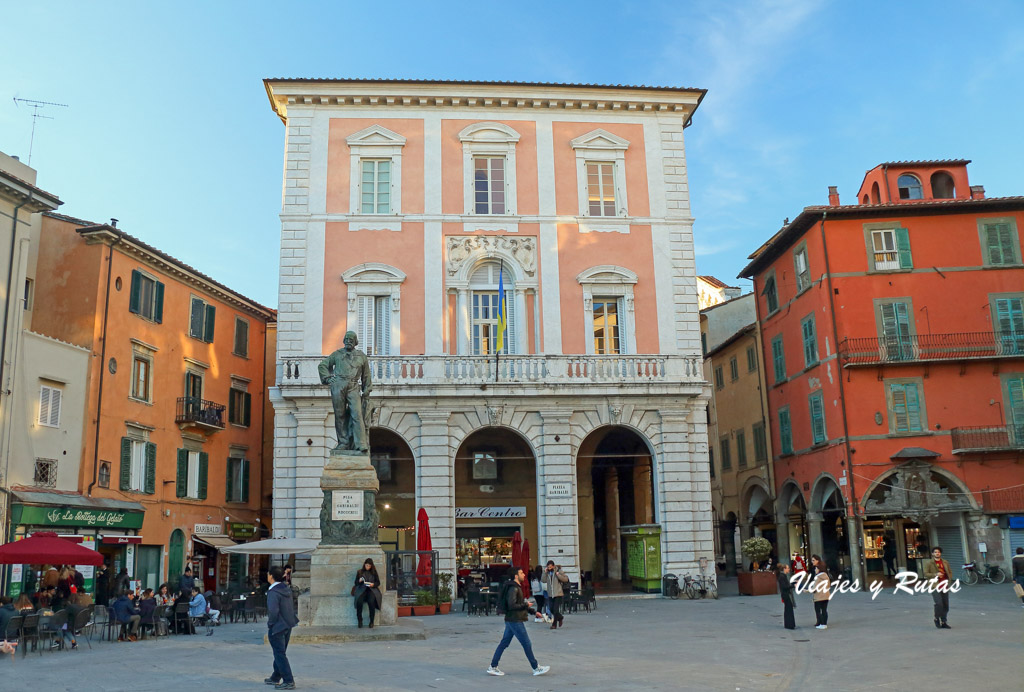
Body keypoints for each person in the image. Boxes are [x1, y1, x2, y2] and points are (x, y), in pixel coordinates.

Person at [487, 567, 550, 677]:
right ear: (516, 576)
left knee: (504, 643)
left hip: (511, 619)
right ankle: (536, 668)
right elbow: (512, 605)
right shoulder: (514, 588)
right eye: (521, 573)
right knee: (526, 643)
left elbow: (518, 603)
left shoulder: (514, 587)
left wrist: (533, 612)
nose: (524, 575)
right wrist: (526, 605)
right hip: (515, 620)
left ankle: (493, 666)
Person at [317, 330, 373, 453]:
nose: (348, 341)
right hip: (338, 385)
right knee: (340, 414)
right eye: (346, 339)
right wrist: (327, 378)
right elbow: (323, 365)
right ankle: (343, 442)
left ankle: (360, 444)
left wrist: (367, 388)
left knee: (357, 414)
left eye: (351, 339)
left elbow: (366, 375)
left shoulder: (361, 356)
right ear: (343, 341)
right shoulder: (337, 354)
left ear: (355, 342)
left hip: (353, 385)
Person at [265, 565, 298, 690]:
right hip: (288, 623)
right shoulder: (286, 588)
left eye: (268, 574)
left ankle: (288, 680)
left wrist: (271, 624)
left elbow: (273, 611)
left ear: (271, 576)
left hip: (278, 625)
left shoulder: (273, 592)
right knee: (280, 652)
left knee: (279, 653)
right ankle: (275, 676)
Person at [921, 546, 953, 629]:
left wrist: (949, 579)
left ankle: (944, 621)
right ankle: (936, 618)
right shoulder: (929, 563)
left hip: (944, 585)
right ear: (932, 554)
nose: (937, 553)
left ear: (940, 553)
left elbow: (949, 571)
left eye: (938, 552)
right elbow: (925, 574)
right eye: (935, 552)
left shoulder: (945, 562)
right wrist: (935, 574)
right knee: (939, 603)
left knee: (945, 604)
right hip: (934, 585)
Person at [352, 558, 382, 629]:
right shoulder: (360, 572)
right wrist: (359, 581)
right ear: (364, 564)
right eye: (366, 565)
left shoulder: (374, 572)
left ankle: (371, 621)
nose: (367, 567)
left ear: (371, 566)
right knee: (359, 601)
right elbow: (356, 583)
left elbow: (378, 582)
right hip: (362, 589)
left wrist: (373, 584)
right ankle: (360, 620)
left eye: (369, 566)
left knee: (371, 602)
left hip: (371, 590)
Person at [542, 560, 568, 630]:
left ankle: (554, 624)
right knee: (551, 609)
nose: (549, 568)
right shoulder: (547, 573)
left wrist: (558, 575)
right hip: (550, 594)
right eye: (548, 567)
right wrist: (545, 573)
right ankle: (560, 617)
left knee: (555, 610)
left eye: (550, 567)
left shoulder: (558, 571)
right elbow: (543, 580)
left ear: (553, 566)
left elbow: (566, 579)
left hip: (558, 593)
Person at [809, 555, 832, 630]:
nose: (812, 562)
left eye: (813, 560)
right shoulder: (824, 574)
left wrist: (806, 590)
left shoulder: (818, 576)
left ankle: (822, 623)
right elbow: (828, 584)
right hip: (826, 595)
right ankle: (823, 623)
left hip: (819, 596)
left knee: (818, 610)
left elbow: (814, 587)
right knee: (824, 609)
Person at [776, 563, 796, 630]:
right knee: (789, 609)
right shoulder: (782, 576)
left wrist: (792, 584)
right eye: (788, 568)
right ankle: (789, 624)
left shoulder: (782, 576)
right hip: (786, 594)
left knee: (788, 609)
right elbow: (784, 586)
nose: (789, 569)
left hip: (785, 594)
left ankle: (789, 624)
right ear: (784, 569)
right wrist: (792, 585)